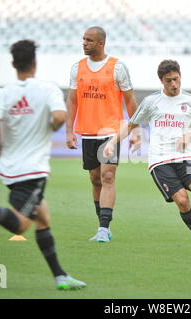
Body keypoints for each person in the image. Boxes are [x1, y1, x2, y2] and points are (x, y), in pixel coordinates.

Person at [0, 40, 86, 290]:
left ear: (13, 64)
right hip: (32, 170)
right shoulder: (48, 89)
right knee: (22, 224)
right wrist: (51, 126)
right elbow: (59, 117)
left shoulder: (2, 93)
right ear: (35, 62)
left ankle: (60, 277)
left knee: (43, 219)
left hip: (9, 168)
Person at [103, 59, 191, 245]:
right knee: (182, 201)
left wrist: (190, 135)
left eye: (177, 79)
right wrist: (112, 142)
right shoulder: (151, 102)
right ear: (161, 80)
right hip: (160, 161)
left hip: (185, 157)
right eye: (169, 80)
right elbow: (131, 125)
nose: (174, 84)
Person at [66, 26, 139, 243]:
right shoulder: (76, 68)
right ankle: (102, 224)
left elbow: (130, 99)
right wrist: (69, 130)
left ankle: (103, 228)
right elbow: (72, 100)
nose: (84, 43)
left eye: (89, 40)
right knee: (95, 178)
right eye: (83, 39)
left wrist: (134, 130)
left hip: (111, 131)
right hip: (88, 131)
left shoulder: (117, 67)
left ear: (101, 43)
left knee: (108, 176)